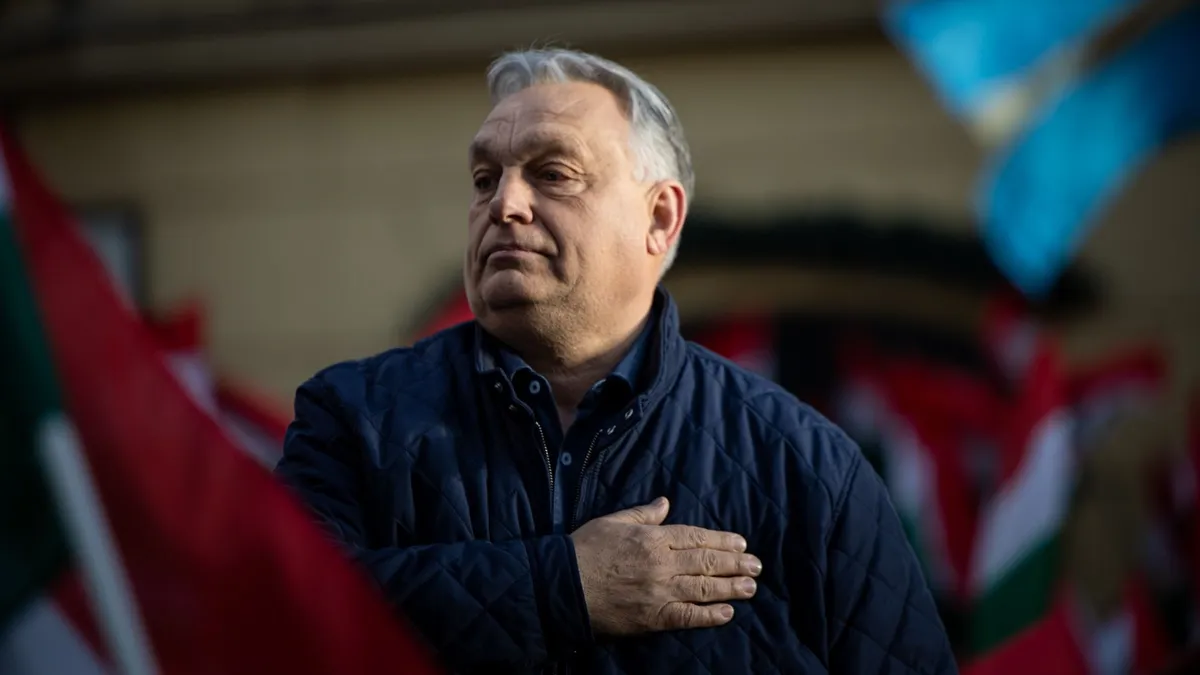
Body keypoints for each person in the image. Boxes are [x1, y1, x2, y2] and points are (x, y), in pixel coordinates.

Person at [275, 48, 956, 674]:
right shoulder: (353, 421)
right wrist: (562, 587)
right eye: (485, 179)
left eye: (553, 174)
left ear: (659, 218)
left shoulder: (809, 468)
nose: (503, 204)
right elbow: (273, 619)